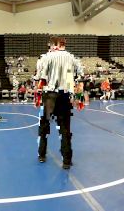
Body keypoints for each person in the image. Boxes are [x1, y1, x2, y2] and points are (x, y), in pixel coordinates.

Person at [36, 36, 84, 170]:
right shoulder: (71, 57)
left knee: (44, 126)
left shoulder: (46, 57)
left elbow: (39, 75)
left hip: (50, 95)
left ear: (53, 45)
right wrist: (77, 92)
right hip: (64, 95)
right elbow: (81, 74)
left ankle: (42, 154)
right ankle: (67, 160)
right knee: (65, 129)